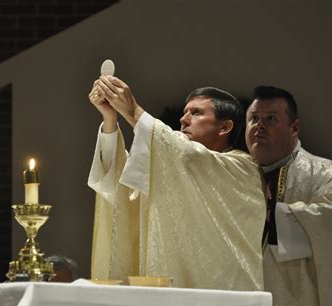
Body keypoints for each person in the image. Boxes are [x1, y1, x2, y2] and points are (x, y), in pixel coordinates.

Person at [88, 76, 267, 290]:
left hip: (225, 291)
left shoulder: (243, 168)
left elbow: (189, 156)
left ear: (225, 126)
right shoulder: (172, 173)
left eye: (197, 112)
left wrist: (132, 110)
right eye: (185, 112)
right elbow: (124, 192)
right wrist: (110, 120)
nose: (184, 119)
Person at [245, 86, 332, 306]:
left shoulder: (328, 175)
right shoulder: (235, 176)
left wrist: (275, 214)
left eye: (271, 118)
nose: (259, 126)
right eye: (253, 118)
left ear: (295, 128)